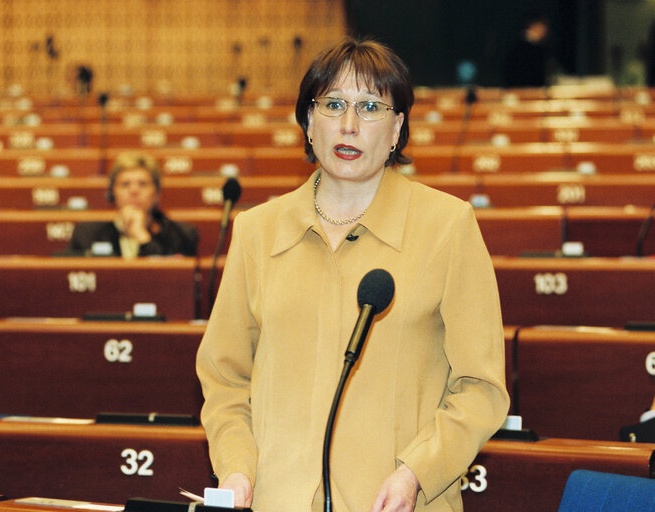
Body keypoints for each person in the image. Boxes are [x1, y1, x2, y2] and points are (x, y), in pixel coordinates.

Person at [196, 37, 509, 512]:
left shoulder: (449, 226)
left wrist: (416, 473)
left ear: (397, 128)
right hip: (274, 499)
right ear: (307, 121)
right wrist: (237, 467)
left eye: (370, 107)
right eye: (334, 104)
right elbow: (225, 378)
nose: (348, 125)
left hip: (396, 501)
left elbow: (480, 388)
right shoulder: (256, 231)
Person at [63, 151, 198, 258]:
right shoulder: (87, 234)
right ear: (112, 193)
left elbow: (172, 283)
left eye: (143, 184)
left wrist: (141, 236)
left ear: (157, 193)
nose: (134, 191)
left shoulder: (181, 235)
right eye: (125, 184)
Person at [504, 12, 551, 88]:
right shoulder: (535, 50)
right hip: (531, 94)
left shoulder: (514, 47)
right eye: (543, 25)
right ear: (535, 25)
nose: (546, 29)